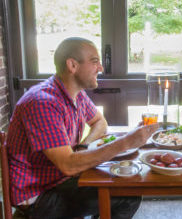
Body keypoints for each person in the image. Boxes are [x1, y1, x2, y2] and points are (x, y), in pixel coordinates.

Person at [6, 37, 159, 219]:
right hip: (39, 197)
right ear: (72, 65)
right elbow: (69, 166)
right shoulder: (43, 102)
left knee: (124, 186)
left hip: (59, 180)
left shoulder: (75, 94)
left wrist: (83, 147)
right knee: (126, 196)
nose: (101, 68)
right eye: (94, 61)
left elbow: (99, 122)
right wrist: (125, 142)